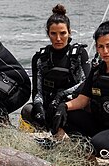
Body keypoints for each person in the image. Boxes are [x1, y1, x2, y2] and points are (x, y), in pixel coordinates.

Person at [52, 21, 109, 166]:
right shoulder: (97, 70)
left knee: (100, 147)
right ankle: (90, 158)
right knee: (66, 115)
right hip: (102, 124)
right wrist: (63, 107)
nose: (104, 51)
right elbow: (82, 100)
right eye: (100, 46)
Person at [20, 4, 90, 134]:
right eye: (53, 34)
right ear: (48, 33)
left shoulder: (79, 54)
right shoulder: (40, 58)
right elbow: (37, 91)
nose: (58, 38)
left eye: (63, 33)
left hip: (70, 106)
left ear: (69, 32)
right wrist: (39, 107)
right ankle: (46, 135)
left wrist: (61, 98)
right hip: (49, 106)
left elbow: (86, 83)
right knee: (27, 110)